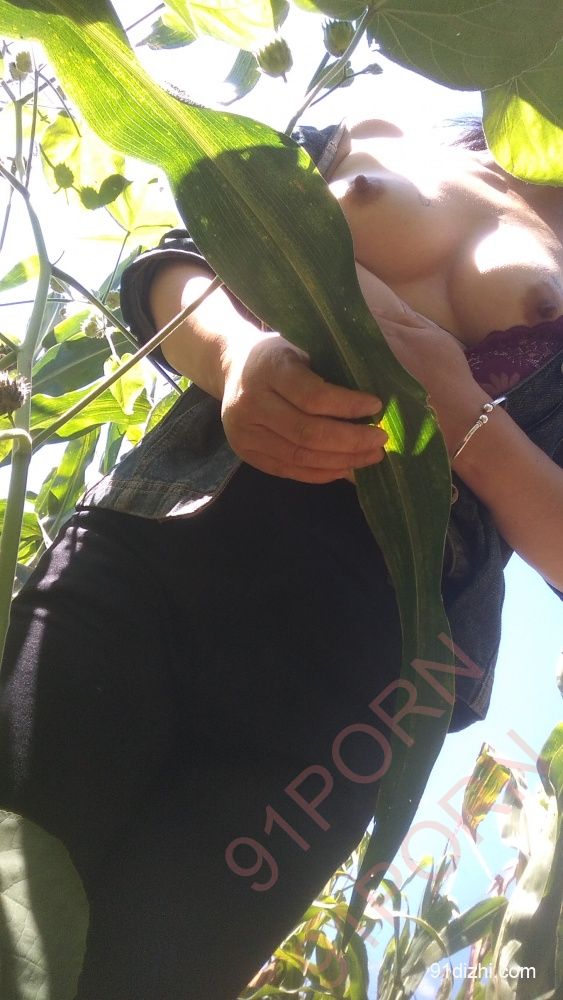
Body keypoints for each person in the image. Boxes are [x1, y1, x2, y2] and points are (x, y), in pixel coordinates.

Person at [0, 115, 562, 1000]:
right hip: (163, 535)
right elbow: (172, 264)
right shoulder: (377, 129)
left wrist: (457, 413)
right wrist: (235, 355)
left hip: (362, 683)